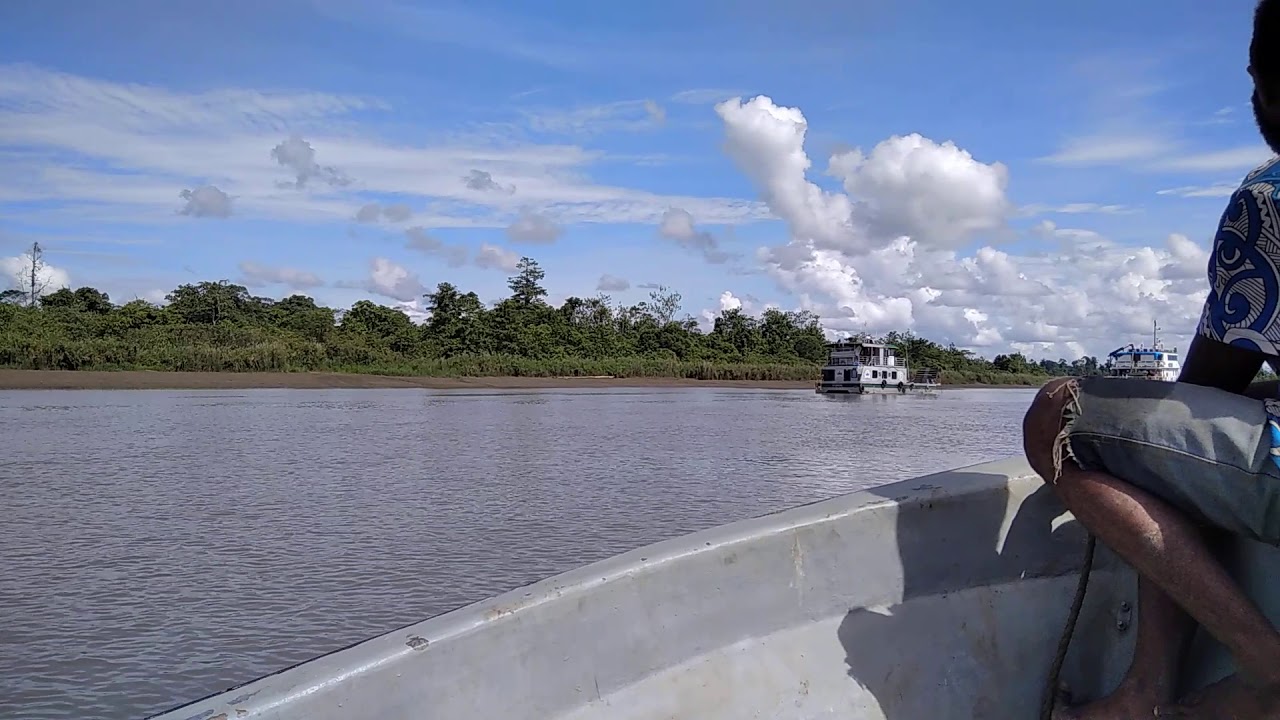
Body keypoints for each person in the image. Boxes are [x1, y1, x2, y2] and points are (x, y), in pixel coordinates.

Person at [1022, 2, 1280, 717]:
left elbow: (1198, 390)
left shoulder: (1269, 197)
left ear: (1261, 83)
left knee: (1062, 419)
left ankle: (1250, 670)